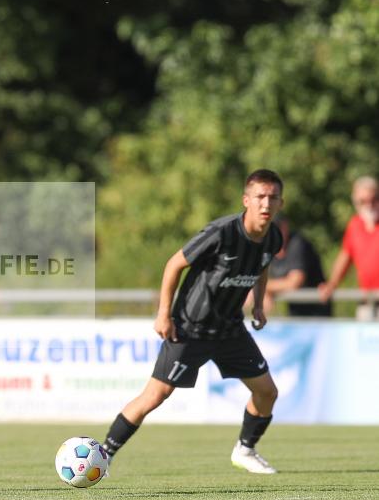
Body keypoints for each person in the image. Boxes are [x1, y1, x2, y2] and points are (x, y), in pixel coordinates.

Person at [101, 169, 284, 474]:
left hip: (230, 330)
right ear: (246, 200)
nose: (266, 203)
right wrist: (164, 313)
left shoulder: (273, 237)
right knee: (155, 396)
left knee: (267, 392)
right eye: (260, 197)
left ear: (280, 202)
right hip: (190, 328)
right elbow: (174, 264)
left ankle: (245, 450)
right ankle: (103, 455)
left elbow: (262, 267)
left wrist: (260, 305)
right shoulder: (221, 232)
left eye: (273, 197)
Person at [319, 176, 379, 319]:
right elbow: (345, 257)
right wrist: (332, 283)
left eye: (374, 199)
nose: (369, 205)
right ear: (355, 202)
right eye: (363, 201)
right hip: (366, 302)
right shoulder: (354, 225)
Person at [263, 215, 331, 317]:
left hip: (317, 311)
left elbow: (295, 282)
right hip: (295, 311)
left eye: (277, 228)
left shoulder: (297, 243)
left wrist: (263, 287)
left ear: (285, 227)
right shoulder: (270, 249)